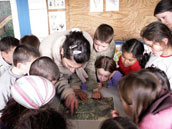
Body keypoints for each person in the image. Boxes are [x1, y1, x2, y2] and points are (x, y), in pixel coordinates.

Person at [39, 30, 92, 115]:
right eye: (70, 66)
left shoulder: (87, 45)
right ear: (62, 51)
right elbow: (55, 78)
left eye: (77, 67)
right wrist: (68, 94)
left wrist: (75, 87)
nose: (72, 70)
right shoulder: (46, 53)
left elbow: (78, 71)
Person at [0, 45, 40, 115]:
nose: (37, 67)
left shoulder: (27, 72)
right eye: (33, 64)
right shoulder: (5, 85)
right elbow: (1, 111)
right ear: (20, 66)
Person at [140, 21, 172, 89]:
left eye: (151, 45)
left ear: (165, 41)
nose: (149, 49)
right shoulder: (156, 53)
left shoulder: (170, 64)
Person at [85, 24, 116, 91]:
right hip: (90, 72)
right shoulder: (90, 48)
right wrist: (95, 89)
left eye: (103, 46)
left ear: (109, 43)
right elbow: (90, 70)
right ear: (94, 39)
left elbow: (109, 64)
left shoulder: (112, 45)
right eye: (96, 44)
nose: (99, 48)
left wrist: (104, 82)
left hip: (102, 73)